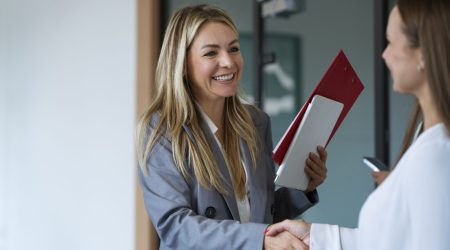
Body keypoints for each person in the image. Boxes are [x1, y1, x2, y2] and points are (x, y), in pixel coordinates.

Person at [136, 4, 328, 250]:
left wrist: (303, 188)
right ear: (182, 64)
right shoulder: (162, 130)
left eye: (234, 49)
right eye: (210, 53)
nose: (228, 62)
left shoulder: (256, 123)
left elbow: (261, 216)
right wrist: (260, 240)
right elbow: (176, 226)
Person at [265, 0, 450, 249]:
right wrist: (315, 236)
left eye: (391, 42)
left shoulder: (436, 155)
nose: (384, 54)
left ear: (423, 54)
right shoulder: (428, 142)